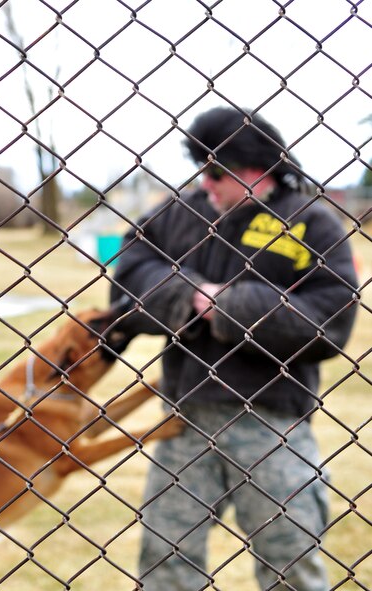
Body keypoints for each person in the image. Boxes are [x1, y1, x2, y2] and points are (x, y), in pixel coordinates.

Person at [109, 106, 358, 590]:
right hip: (185, 415)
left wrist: (229, 306)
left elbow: (330, 318)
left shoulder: (311, 224)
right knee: (165, 560)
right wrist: (192, 296)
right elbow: (131, 271)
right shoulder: (181, 214)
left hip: (271, 421)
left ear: (256, 170)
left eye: (217, 172)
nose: (206, 183)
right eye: (201, 170)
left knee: (292, 560)